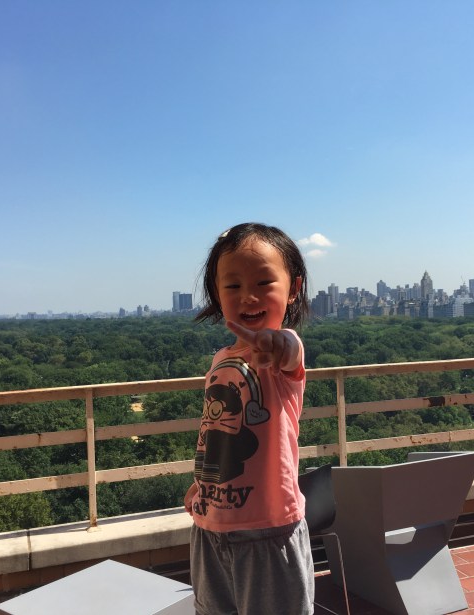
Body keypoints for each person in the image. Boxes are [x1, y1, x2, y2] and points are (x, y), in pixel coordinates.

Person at [184, 222, 314, 615]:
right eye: (233, 285)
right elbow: (213, 433)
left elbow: (290, 351)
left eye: (263, 282)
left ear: (293, 288)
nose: (248, 296)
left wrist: (278, 344)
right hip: (210, 528)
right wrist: (201, 485)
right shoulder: (221, 359)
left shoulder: (281, 356)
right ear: (216, 292)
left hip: (268, 532)